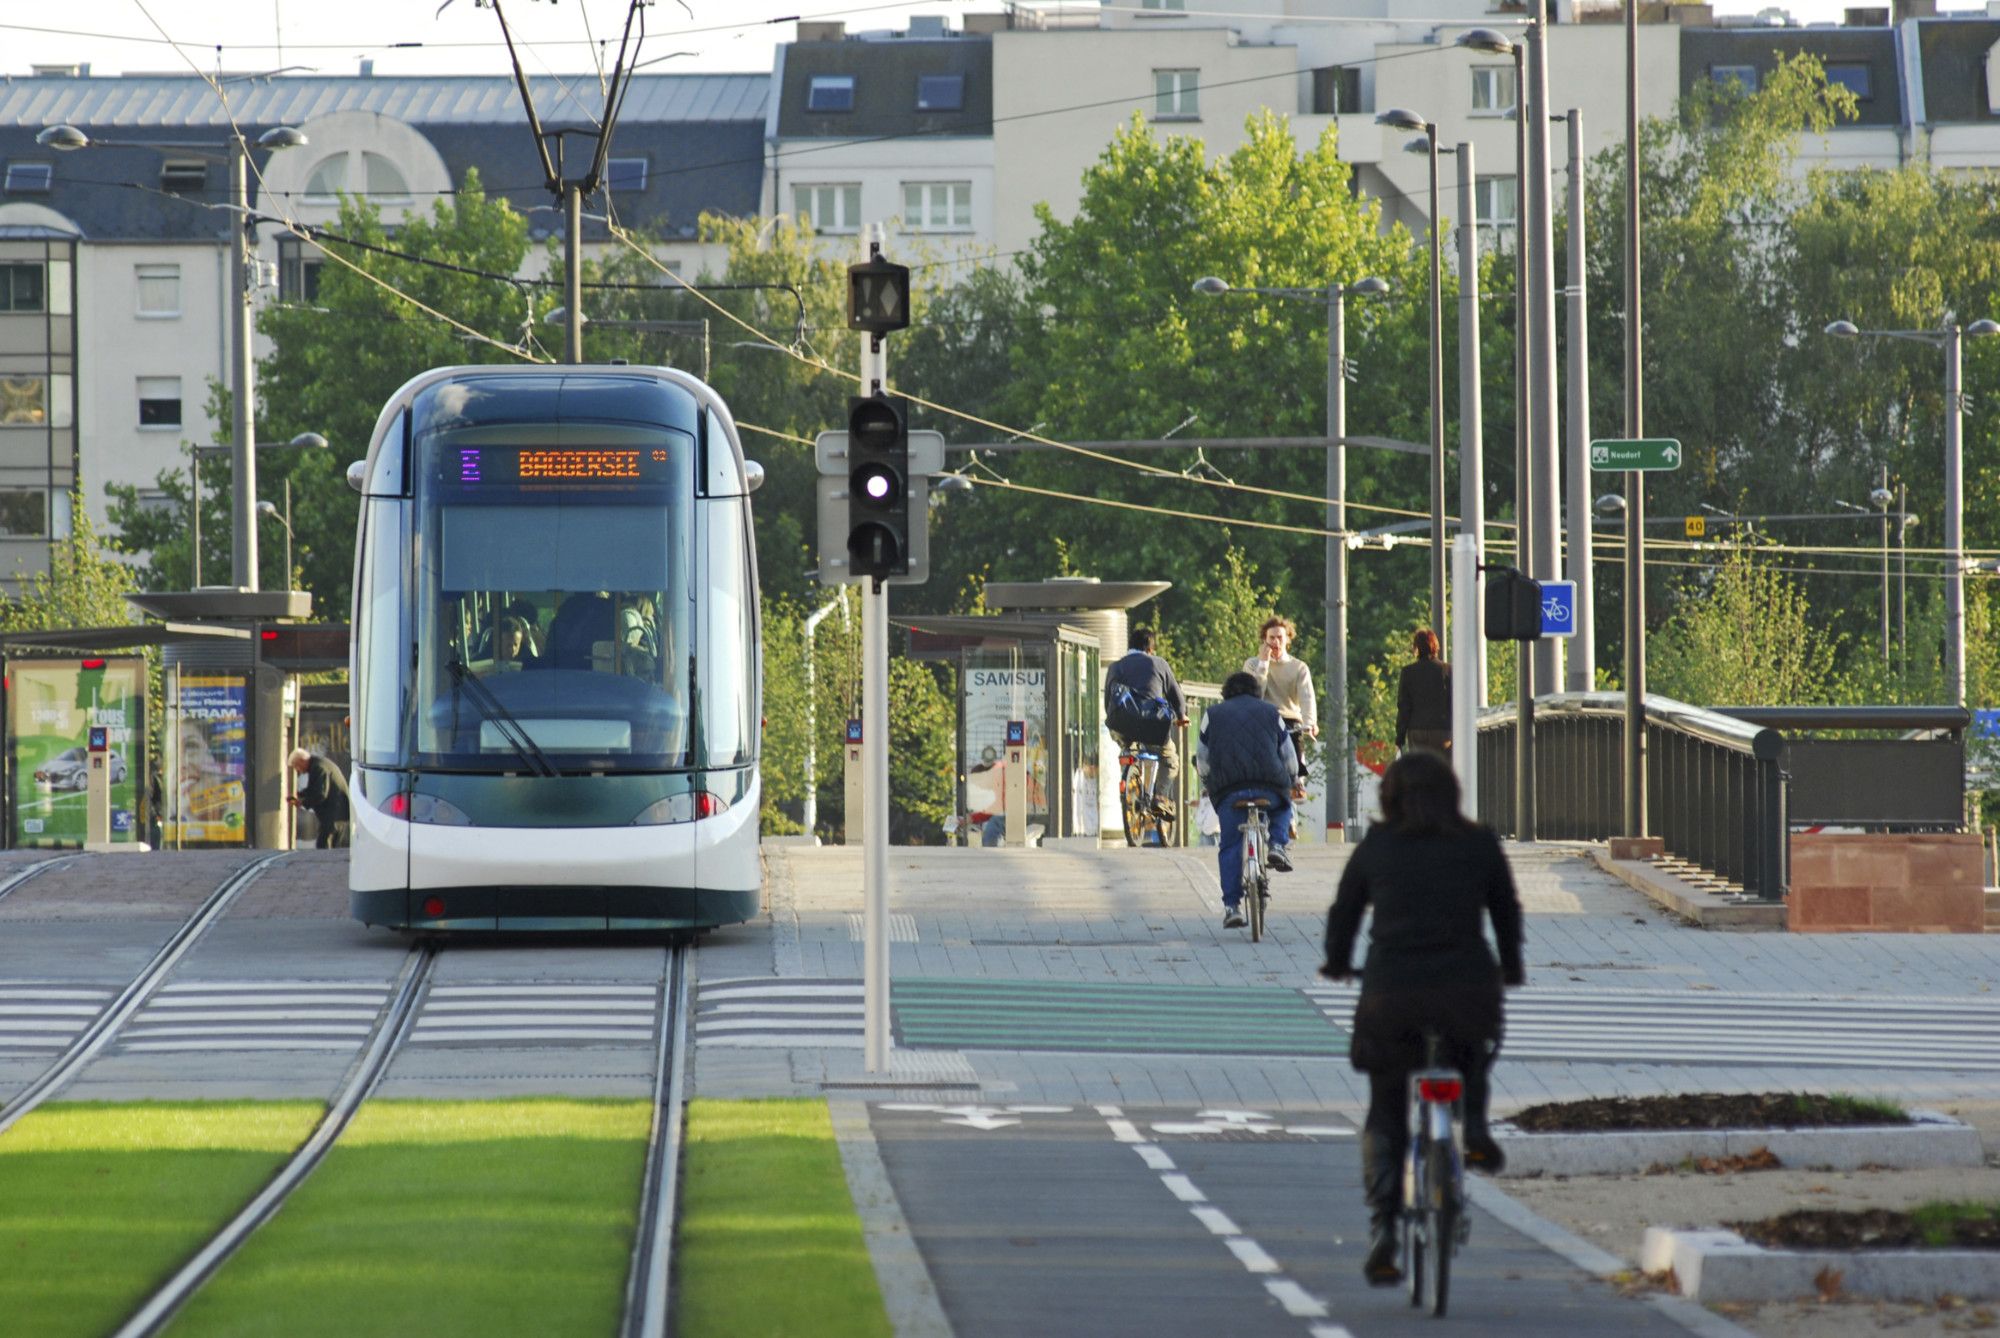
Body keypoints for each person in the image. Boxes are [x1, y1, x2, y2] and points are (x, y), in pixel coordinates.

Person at [1320, 750, 1524, 1285]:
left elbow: (1344, 913)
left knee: (1386, 1107)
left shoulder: (1378, 846)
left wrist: (1338, 962)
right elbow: (1506, 911)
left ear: (1390, 797)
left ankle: (1384, 1229)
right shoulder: (1479, 843)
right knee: (1471, 1052)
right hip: (1466, 988)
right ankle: (1475, 1126)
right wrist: (1512, 967)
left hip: (1393, 995)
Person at [1197, 671, 1299, 930]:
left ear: (1226, 691)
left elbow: (1203, 759)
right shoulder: (1271, 712)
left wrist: (1209, 784)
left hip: (1230, 791)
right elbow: (1288, 756)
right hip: (1269, 786)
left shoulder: (1213, 714)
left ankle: (1232, 907)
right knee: (1284, 805)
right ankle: (1277, 844)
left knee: (1230, 845)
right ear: (1256, 691)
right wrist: (1293, 778)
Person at [1103, 626, 1186, 818]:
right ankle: (1160, 797)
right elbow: (1176, 696)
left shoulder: (1116, 666)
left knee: (1127, 750)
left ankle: (1129, 783)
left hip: (1121, 724)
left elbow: (1108, 699)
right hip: (1153, 726)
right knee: (1170, 759)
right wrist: (1181, 716)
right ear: (1150, 649)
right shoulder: (1159, 663)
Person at [1242, 616, 1317, 782]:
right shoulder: (1252, 665)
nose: (1275, 642)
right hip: (1262, 719)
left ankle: (1298, 782)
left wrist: (1310, 722)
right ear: (1264, 640)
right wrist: (1263, 665)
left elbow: (1307, 697)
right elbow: (1254, 695)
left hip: (1289, 721)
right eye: (1271, 638)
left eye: (1280, 637)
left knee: (1295, 756)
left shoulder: (1298, 667)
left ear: (1287, 640)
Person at [1395, 628, 1452, 756]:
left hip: (1417, 731)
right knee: (1440, 770)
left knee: (1420, 770)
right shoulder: (1448, 670)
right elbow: (1453, 703)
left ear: (1417, 648)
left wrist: (1400, 737)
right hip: (1442, 732)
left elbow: (1404, 707)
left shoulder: (1408, 672)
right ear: (1436, 646)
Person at [287, 747, 352, 849]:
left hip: (334, 816)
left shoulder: (318, 768)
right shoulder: (318, 765)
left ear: (301, 761)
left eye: (297, 766)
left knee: (324, 846)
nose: (297, 770)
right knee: (330, 847)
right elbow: (315, 789)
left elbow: (320, 794)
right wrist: (299, 795)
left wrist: (302, 803)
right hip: (337, 815)